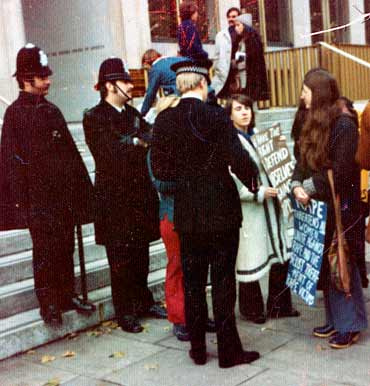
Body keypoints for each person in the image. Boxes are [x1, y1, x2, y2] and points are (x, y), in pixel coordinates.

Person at [151, 58, 260, 368]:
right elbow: (237, 159)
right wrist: (253, 180)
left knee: (193, 283)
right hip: (221, 210)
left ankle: (198, 349)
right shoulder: (215, 115)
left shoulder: (165, 121)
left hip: (186, 212)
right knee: (223, 283)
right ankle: (229, 352)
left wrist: (185, 182)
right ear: (202, 84)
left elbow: (160, 169)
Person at [0, 43, 95, 324]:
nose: (48, 81)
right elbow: (9, 164)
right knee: (45, 251)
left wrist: (81, 193)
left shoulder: (52, 111)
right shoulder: (15, 114)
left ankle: (67, 295)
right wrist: (18, 205)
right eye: (42, 77)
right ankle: (49, 304)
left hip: (61, 197)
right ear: (26, 80)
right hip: (36, 200)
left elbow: (71, 155)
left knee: (65, 246)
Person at [83, 58, 167, 334]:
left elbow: (149, 137)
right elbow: (108, 152)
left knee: (141, 252)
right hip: (114, 198)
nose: (131, 85)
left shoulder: (131, 113)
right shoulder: (94, 117)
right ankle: (125, 311)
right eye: (125, 81)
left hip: (139, 194)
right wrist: (133, 142)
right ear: (110, 85)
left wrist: (135, 142)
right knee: (119, 258)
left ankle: (144, 301)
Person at [291, 69, 367, 349]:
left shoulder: (344, 125)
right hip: (321, 206)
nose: (302, 96)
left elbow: (342, 170)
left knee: (342, 263)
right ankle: (337, 320)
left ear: (318, 93)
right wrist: (296, 183)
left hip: (341, 207)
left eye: (306, 91)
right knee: (329, 263)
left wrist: (307, 187)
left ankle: (350, 324)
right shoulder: (315, 121)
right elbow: (302, 158)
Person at [146, 97, 216, 342]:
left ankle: (196, 314)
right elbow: (160, 182)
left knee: (195, 268)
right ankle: (179, 317)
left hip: (191, 212)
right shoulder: (158, 148)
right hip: (173, 214)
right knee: (177, 267)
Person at [226, 94, 300, 324]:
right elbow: (231, 177)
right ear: (230, 114)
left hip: (272, 206)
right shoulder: (231, 141)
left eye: (247, 107)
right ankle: (251, 309)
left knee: (280, 252)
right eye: (238, 108)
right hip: (251, 209)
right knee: (251, 256)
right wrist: (255, 194)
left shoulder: (260, 136)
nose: (245, 112)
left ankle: (279, 305)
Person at [212, 12, 269, 102]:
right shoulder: (243, 40)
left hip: (247, 77)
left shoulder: (251, 40)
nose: (236, 28)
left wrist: (236, 62)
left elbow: (250, 59)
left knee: (247, 101)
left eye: (238, 25)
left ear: (245, 26)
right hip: (243, 77)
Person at [140, 49, 187, 117]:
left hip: (176, 98)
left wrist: (142, 113)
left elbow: (150, 94)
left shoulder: (155, 68)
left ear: (146, 62)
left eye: (146, 69)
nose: (148, 71)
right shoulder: (173, 59)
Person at [211, 7, 242, 99]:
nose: (231, 19)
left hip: (238, 70)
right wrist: (217, 68)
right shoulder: (220, 35)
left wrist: (237, 62)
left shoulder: (244, 33)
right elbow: (217, 55)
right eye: (229, 17)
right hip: (225, 71)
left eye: (234, 16)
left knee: (240, 98)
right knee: (225, 98)